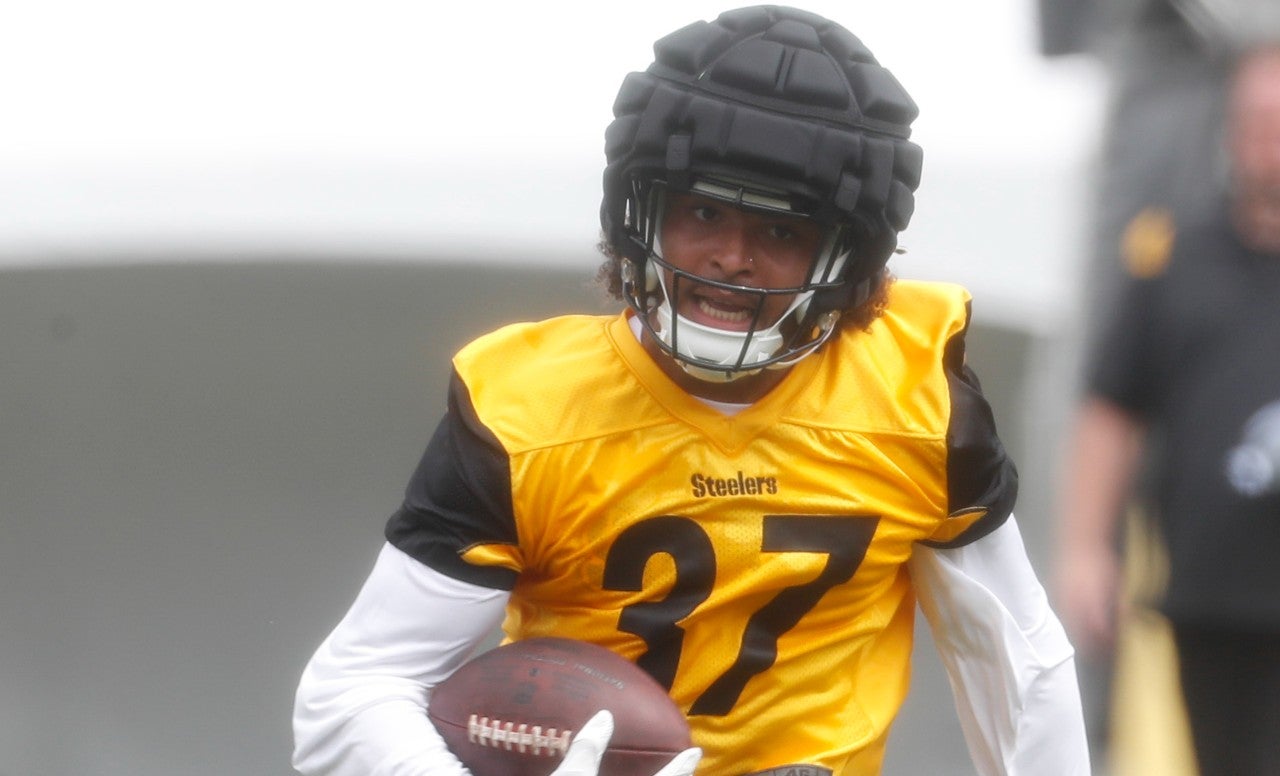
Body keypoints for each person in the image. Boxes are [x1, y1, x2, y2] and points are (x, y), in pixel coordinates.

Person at [292, 6, 1090, 775]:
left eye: (781, 230)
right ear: (639, 211)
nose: (732, 256)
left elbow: (1022, 666)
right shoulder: (529, 412)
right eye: (703, 212)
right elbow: (352, 693)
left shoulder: (915, 400)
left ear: (848, 257)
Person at [1055, 47, 1280, 776]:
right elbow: (1111, 409)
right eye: (1253, 120)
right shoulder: (1172, 257)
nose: (1264, 140)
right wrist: (1086, 550)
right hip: (1203, 602)